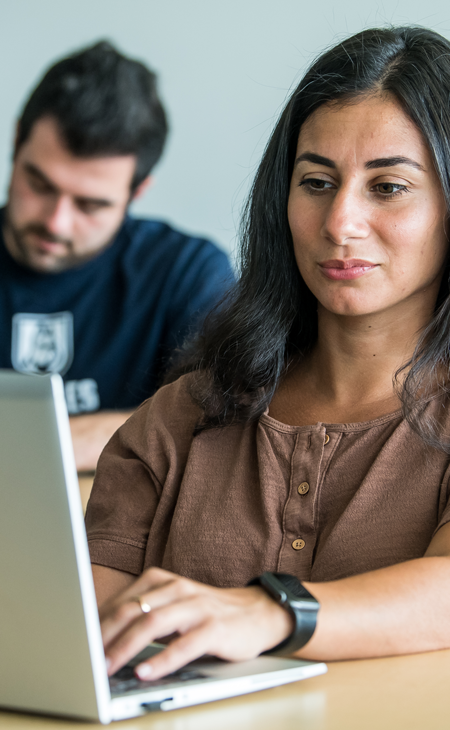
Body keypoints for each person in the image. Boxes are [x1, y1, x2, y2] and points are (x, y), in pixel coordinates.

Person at [85, 25, 450, 681]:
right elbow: (86, 627)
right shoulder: (184, 415)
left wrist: (270, 613)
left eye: (388, 186)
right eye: (315, 182)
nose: (340, 222)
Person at [1, 41, 233, 471]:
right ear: (16, 143)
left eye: (90, 205)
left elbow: (223, 412)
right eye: (40, 184)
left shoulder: (185, 273)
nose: (57, 222)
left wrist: (41, 450)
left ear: (136, 192)